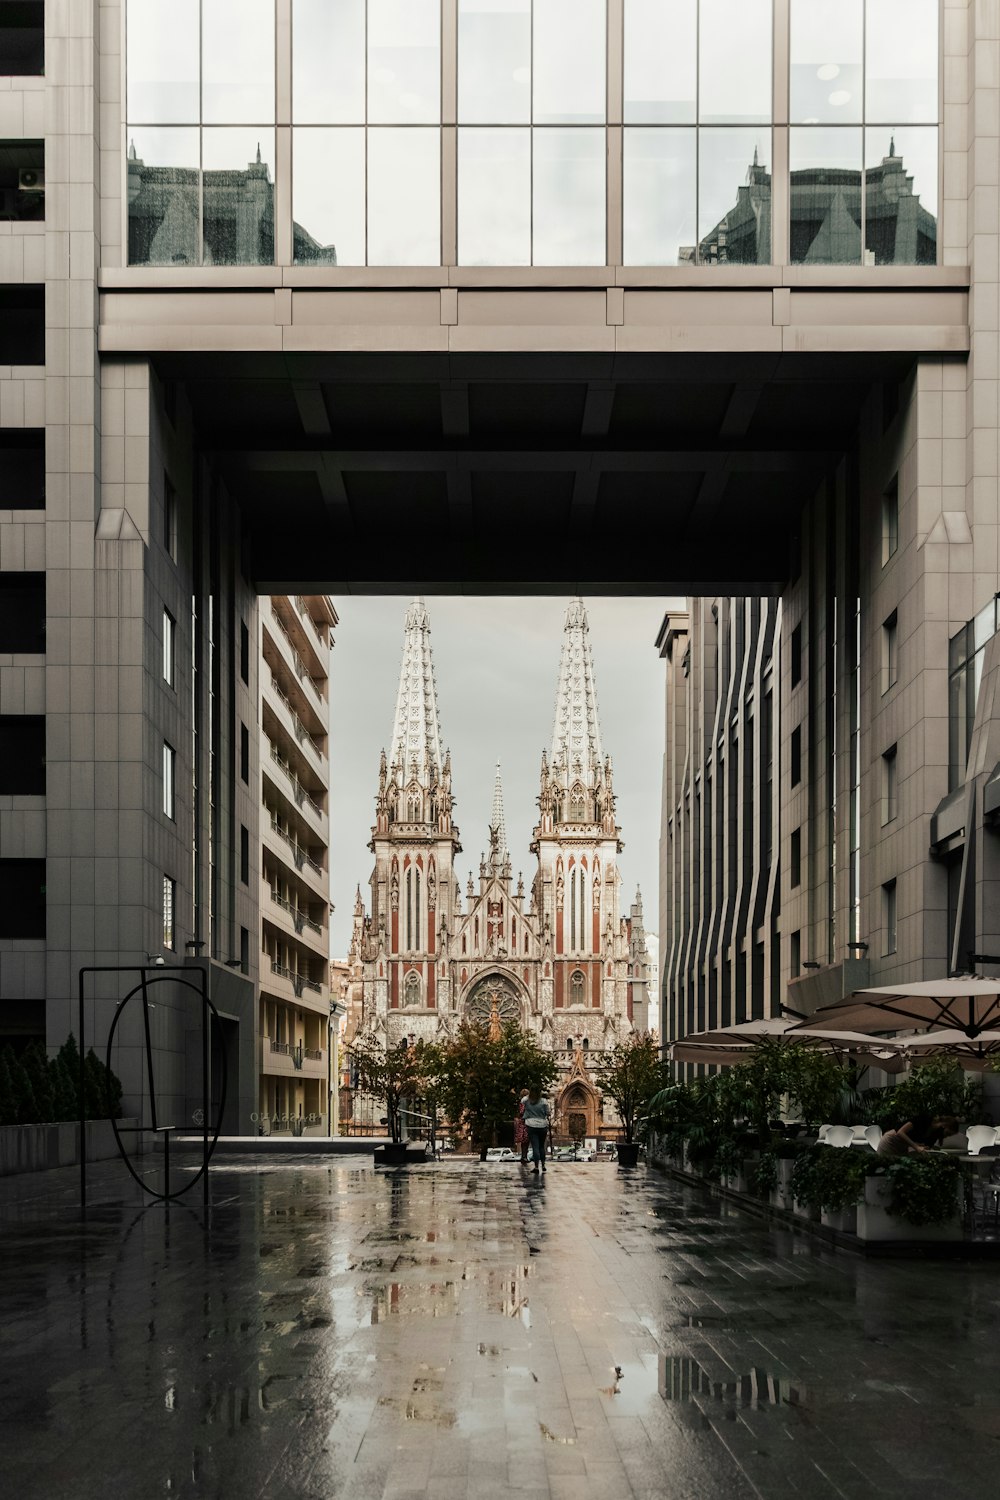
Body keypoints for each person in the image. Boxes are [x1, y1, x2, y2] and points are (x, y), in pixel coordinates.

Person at [876, 1113, 958, 1161]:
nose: (946, 1136)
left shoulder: (934, 1135)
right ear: (945, 1125)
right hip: (891, 1142)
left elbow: (925, 1147)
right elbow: (900, 1132)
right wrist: (916, 1147)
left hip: (902, 1147)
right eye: (948, 1133)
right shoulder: (924, 1119)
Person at [523, 1089, 550, 1174]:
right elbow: (548, 1113)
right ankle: (543, 1165)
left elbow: (522, 1100)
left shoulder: (526, 1100)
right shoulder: (544, 1101)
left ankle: (536, 1167)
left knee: (535, 1147)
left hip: (531, 1125)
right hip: (542, 1125)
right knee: (542, 1146)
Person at [514, 1090, 530, 1165]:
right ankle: (524, 1156)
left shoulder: (521, 1102)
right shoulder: (524, 1103)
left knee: (524, 1141)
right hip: (525, 1123)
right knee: (525, 1141)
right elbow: (522, 1112)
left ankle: (524, 1156)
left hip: (522, 1123)